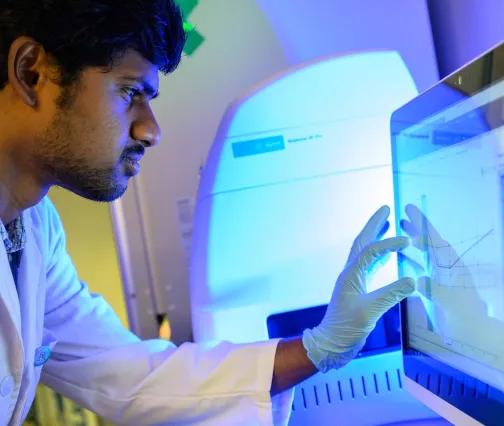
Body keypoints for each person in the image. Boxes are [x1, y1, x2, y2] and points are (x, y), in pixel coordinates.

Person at [0, 1, 416, 425]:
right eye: (129, 92)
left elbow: (131, 377)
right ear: (32, 72)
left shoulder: (33, 228)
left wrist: (318, 348)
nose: (151, 130)